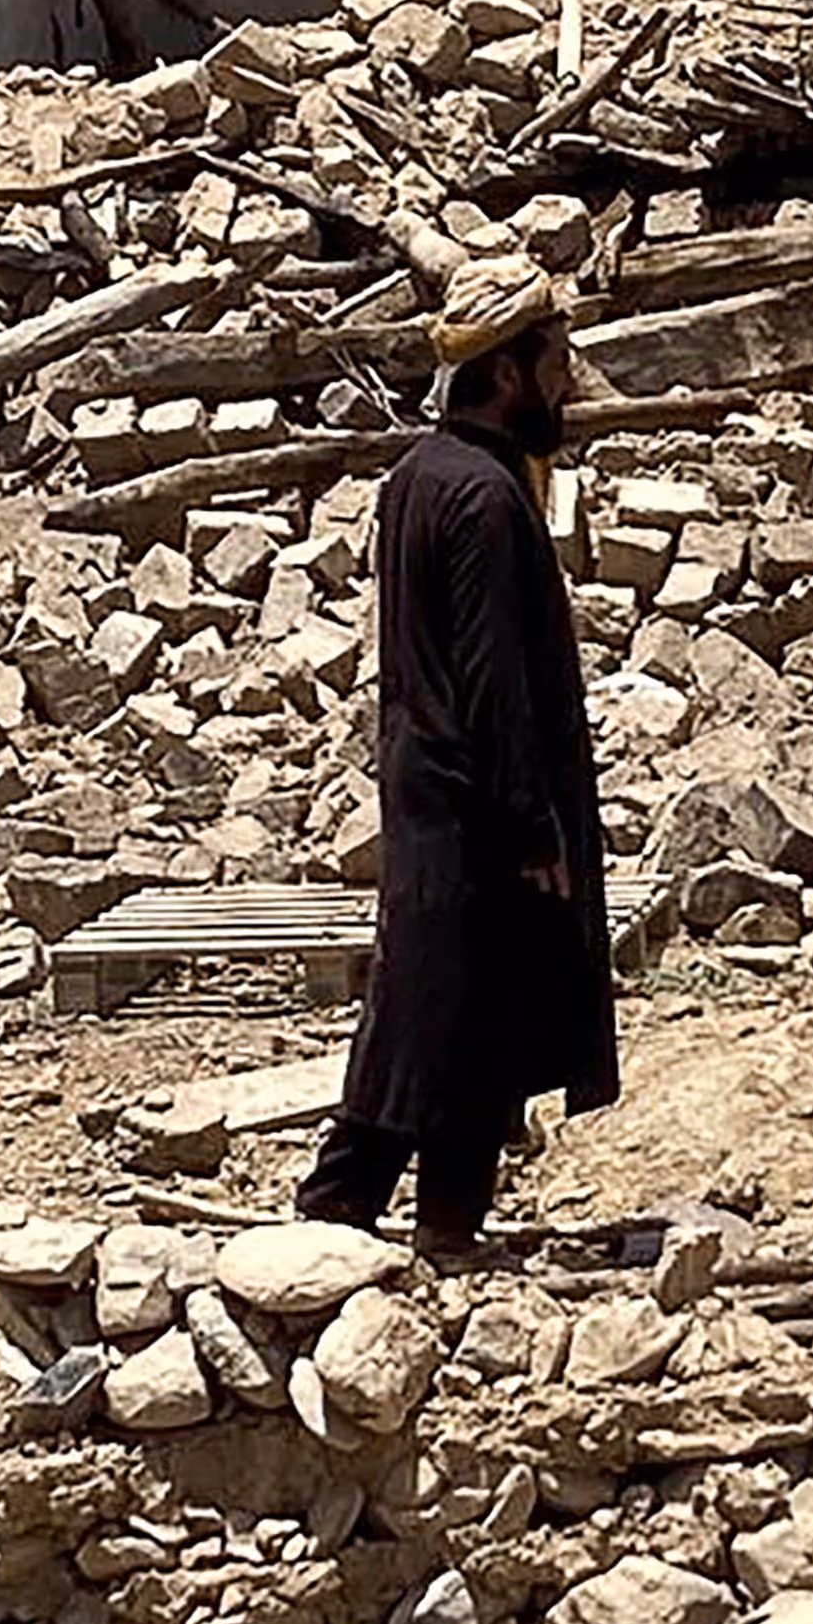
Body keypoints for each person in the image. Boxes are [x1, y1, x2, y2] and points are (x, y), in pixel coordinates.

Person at [296, 256, 619, 1249]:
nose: (567, 385)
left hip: (434, 789)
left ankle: (429, 1224)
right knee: (437, 1017)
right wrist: (530, 821)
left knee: (460, 1017)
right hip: (474, 803)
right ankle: (349, 1213)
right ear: (508, 373)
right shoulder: (481, 497)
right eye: (554, 364)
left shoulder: (421, 477)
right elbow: (491, 676)